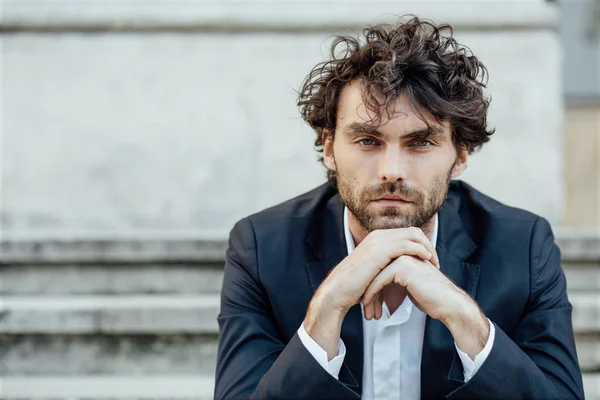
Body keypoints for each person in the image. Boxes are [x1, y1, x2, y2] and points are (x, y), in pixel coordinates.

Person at [214, 16, 584, 400]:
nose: (392, 171)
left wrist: (467, 321)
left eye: (420, 143)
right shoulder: (260, 247)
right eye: (368, 141)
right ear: (328, 148)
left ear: (460, 156)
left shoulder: (523, 246)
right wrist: (325, 311)